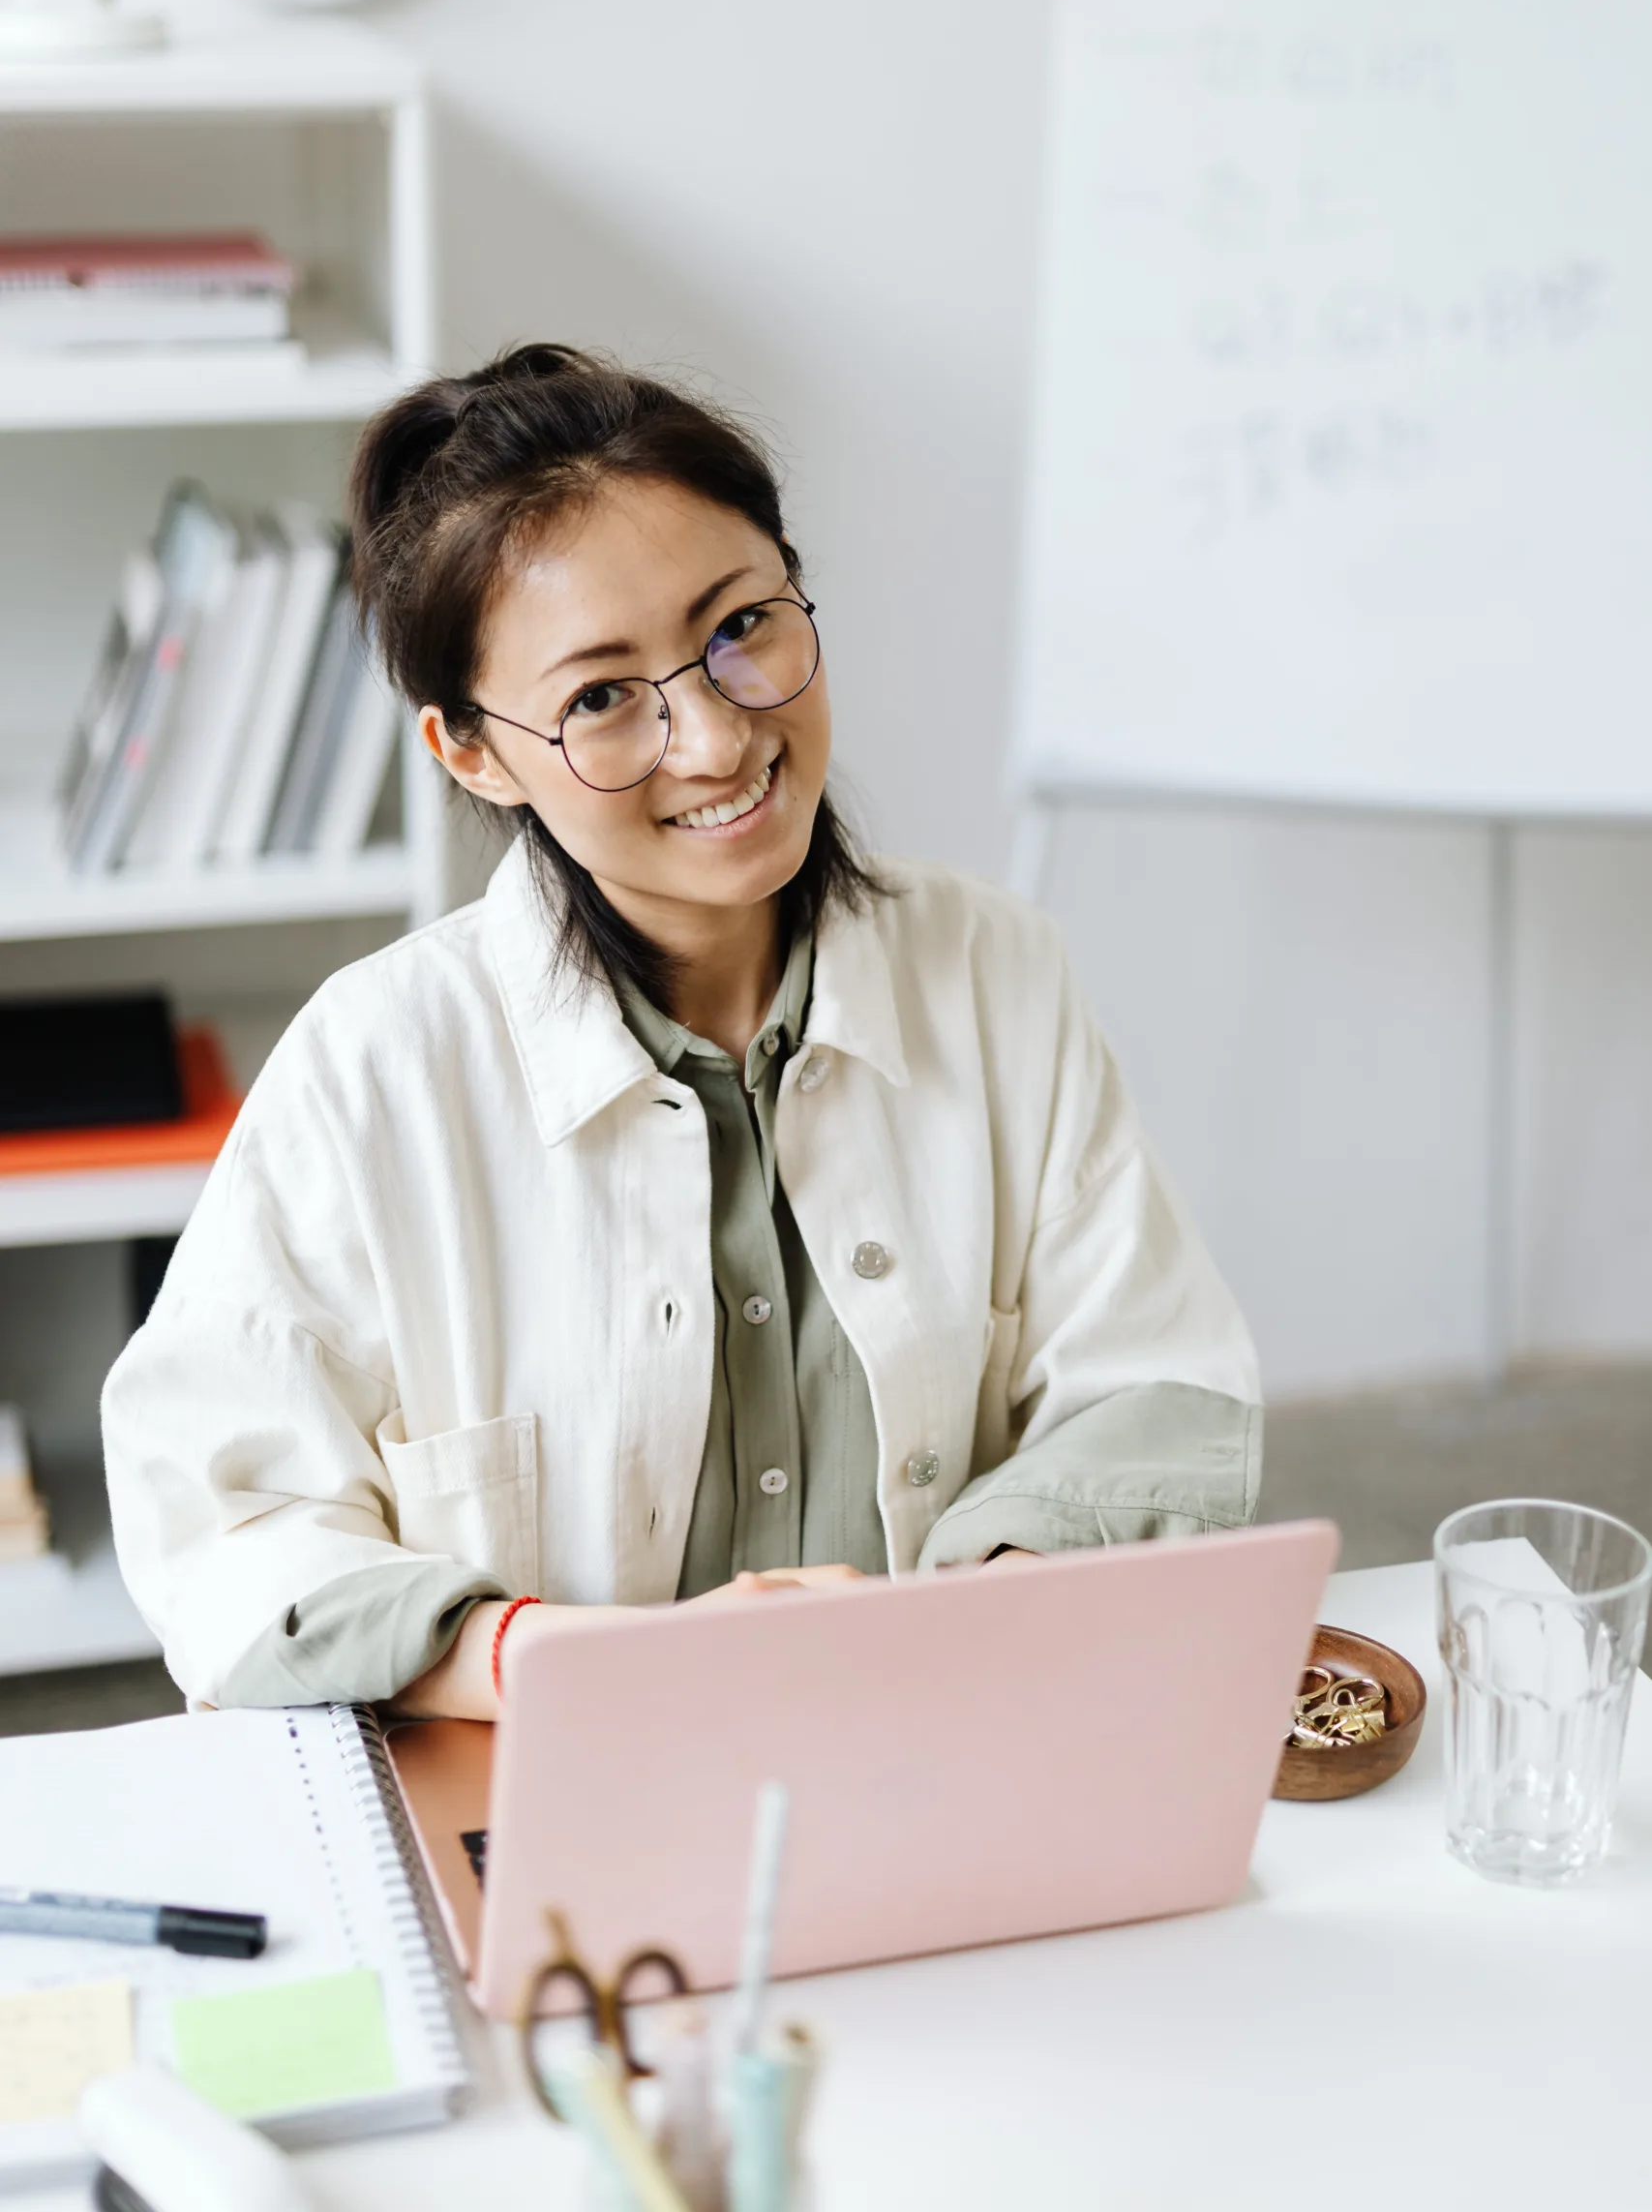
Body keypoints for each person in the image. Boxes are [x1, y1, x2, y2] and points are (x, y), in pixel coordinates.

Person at [103, 346, 1261, 1717]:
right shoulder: (374, 1070)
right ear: (470, 751)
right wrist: (571, 1663)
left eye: (740, 628)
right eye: (600, 697)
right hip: (545, 1782)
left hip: (950, 1737)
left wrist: (980, 1617)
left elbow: (1154, 1390)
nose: (714, 739)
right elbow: (223, 1530)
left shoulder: (991, 968)